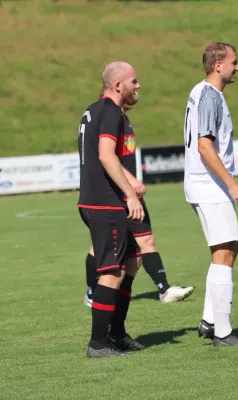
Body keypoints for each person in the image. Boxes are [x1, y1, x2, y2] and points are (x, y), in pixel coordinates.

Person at [184, 42, 238, 346]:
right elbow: (205, 147)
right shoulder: (210, 97)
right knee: (225, 252)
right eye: (234, 62)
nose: (237, 67)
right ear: (218, 65)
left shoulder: (203, 92)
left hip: (206, 185)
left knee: (227, 248)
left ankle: (209, 321)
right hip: (209, 185)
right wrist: (232, 184)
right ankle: (223, 333)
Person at [83, 103, 194, 308]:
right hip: (116, 194)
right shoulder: (108, 118)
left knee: (145, 241)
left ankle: (163, 289)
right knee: (101, 247)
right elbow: (106, 158)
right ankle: (92, 293)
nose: (137, 90)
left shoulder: (122, 119)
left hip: (129, 194)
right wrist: (131, 181)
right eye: (132, 84)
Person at [78, 61, 145, 358]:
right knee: (112, 272)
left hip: (98, 200)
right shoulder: (109, 112)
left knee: (132, 261)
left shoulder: (93, 109)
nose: (138, 86)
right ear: (118, 85)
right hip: (104, 202)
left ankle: (117, 333)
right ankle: (98, 343)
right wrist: (130, 195)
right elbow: (106, 155)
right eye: (134, 81)